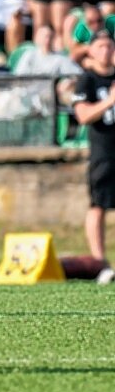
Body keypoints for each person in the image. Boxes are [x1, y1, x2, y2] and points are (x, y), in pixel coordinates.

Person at [72, 30, 115, 282]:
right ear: (91, 50)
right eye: (100, 46)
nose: (105, 51)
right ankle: (99, 262)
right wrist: (109, 101)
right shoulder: (87, 80)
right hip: (103, 152)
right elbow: (83, 115)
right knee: (98, 205)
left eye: (109, 46)